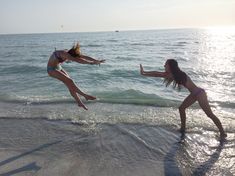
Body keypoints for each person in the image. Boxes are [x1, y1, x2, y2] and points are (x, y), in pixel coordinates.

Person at [140, 59, 227, 139]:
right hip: (194, 94)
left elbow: (157, 74)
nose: (164, 66)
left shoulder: (175, 74)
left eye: (165, 64)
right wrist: (144, 72)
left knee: (209, 114)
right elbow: (157, 73)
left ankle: (222, 132)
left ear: (170, 66)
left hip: (200, 94)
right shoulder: (174, 74)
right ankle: (183, 128)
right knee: (181, 108)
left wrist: (144, 73)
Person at [47, 42, 105, 110]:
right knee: (70, 81)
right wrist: (91, 63)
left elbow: (83, 57)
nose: (71, 59)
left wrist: (96, 60)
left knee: (70, 84)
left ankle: (79, 102)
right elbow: (79, 60)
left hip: (58, 67)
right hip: (51, 69)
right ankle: (85, 95)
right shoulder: (65, 54)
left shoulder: (69, 53)